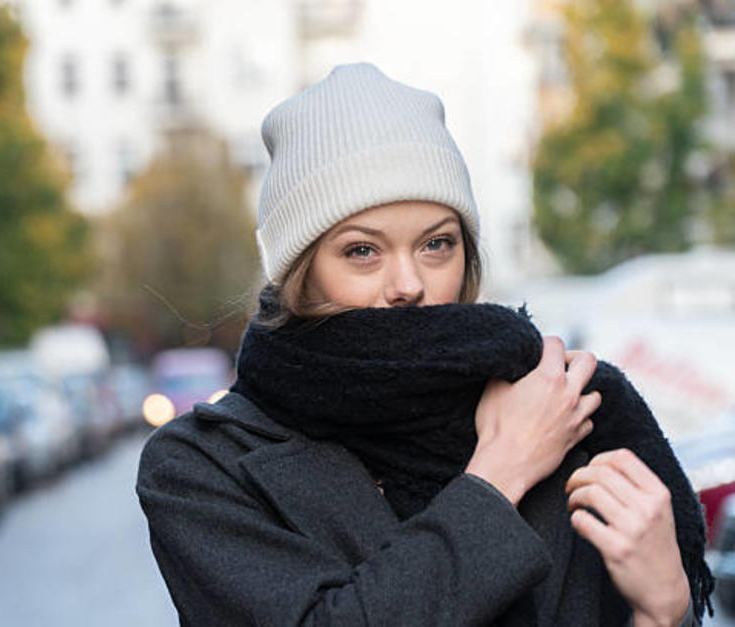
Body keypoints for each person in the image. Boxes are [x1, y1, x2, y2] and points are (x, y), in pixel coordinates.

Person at [137, 63, 712, 626]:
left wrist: (664, 612)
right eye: (363, 250)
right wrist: (498, 474)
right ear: (300, 273)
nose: (409, 284)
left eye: (436, 244)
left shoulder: (569, 410)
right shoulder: (204, 466)